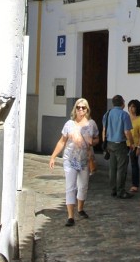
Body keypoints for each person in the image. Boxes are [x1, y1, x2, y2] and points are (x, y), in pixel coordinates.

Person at [48, 98, 99, 226]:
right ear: (75, 109)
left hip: (85, 160)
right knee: (70, 187)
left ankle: (80, 209)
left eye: (83, 107)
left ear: (87, 110)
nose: (80, 109)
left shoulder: (91, 124)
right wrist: (53, 156)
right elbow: (62, 141)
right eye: (78, 107)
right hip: (70, 159)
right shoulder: (69, 124)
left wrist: (92, 142)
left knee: (83, 186)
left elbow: (97, 139)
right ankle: (70, 216)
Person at [102, 94, 133, 199]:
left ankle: (113, 189)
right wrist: (132, 143)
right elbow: (127, 132)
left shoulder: (107, 113)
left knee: (112, 168)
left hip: (110, 144)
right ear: (122, 103)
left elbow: (104, 130)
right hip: (120, 144)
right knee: (121, 169)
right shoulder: (124, 115)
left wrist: (104, 143)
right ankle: (121, 191)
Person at [127, 98, 140, 193]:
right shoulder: (126, 117)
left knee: (134, 165)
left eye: (133, 106)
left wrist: (138, 147)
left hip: (134, 146)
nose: (131, 108)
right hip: (124, 144)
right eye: (130, 106)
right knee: (123, 164)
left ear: (137, 108)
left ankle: (135, 185)